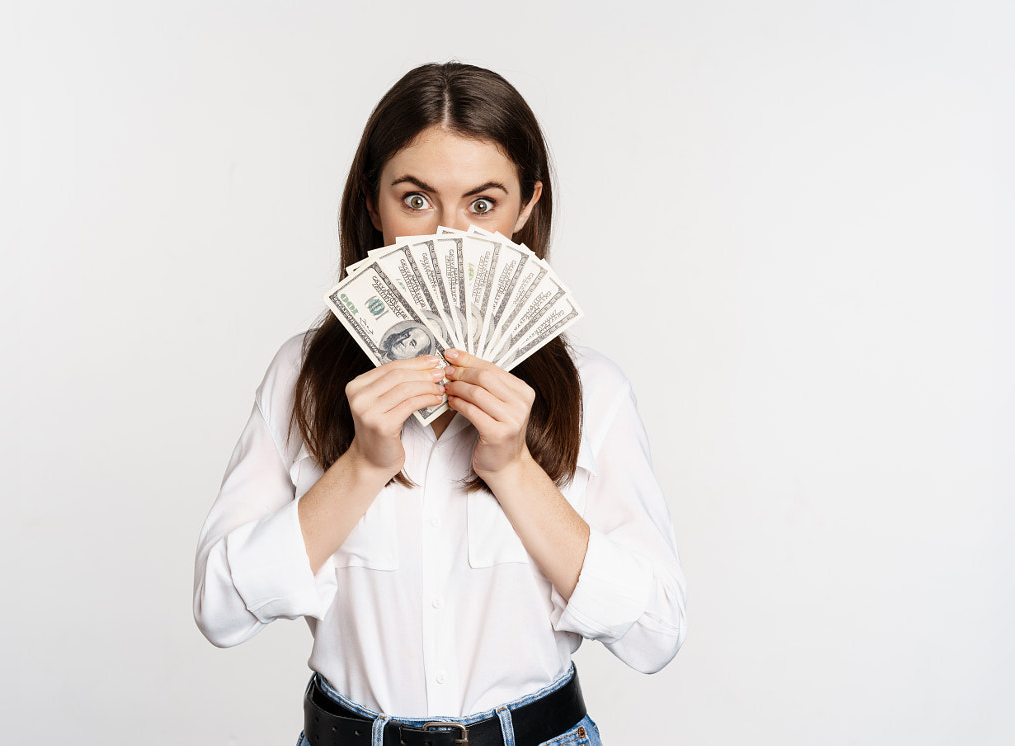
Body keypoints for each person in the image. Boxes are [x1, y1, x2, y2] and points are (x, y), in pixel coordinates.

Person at [193, 62, 687, 746]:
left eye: (482, 204)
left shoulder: (593, 392)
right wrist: (362, 467)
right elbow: (221, 612)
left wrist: (513, 470)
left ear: (525, 207)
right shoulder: (303, 378)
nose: (449, 237)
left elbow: (654, 636)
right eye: (417, 200)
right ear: (373, 202)